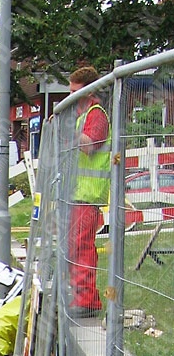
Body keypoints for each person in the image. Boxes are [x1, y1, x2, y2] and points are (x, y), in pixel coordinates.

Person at [67, 65, 110, 317]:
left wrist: (67, 133)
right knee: (75, 247)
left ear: (89, 92)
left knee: (81, 247)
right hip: (78, 194)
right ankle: (81, 297)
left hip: (88, 195)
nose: (71, 97)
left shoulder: (96, 115)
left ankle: (87, 301)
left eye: (75, 92)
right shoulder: (83, 115)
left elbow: (89, 145)